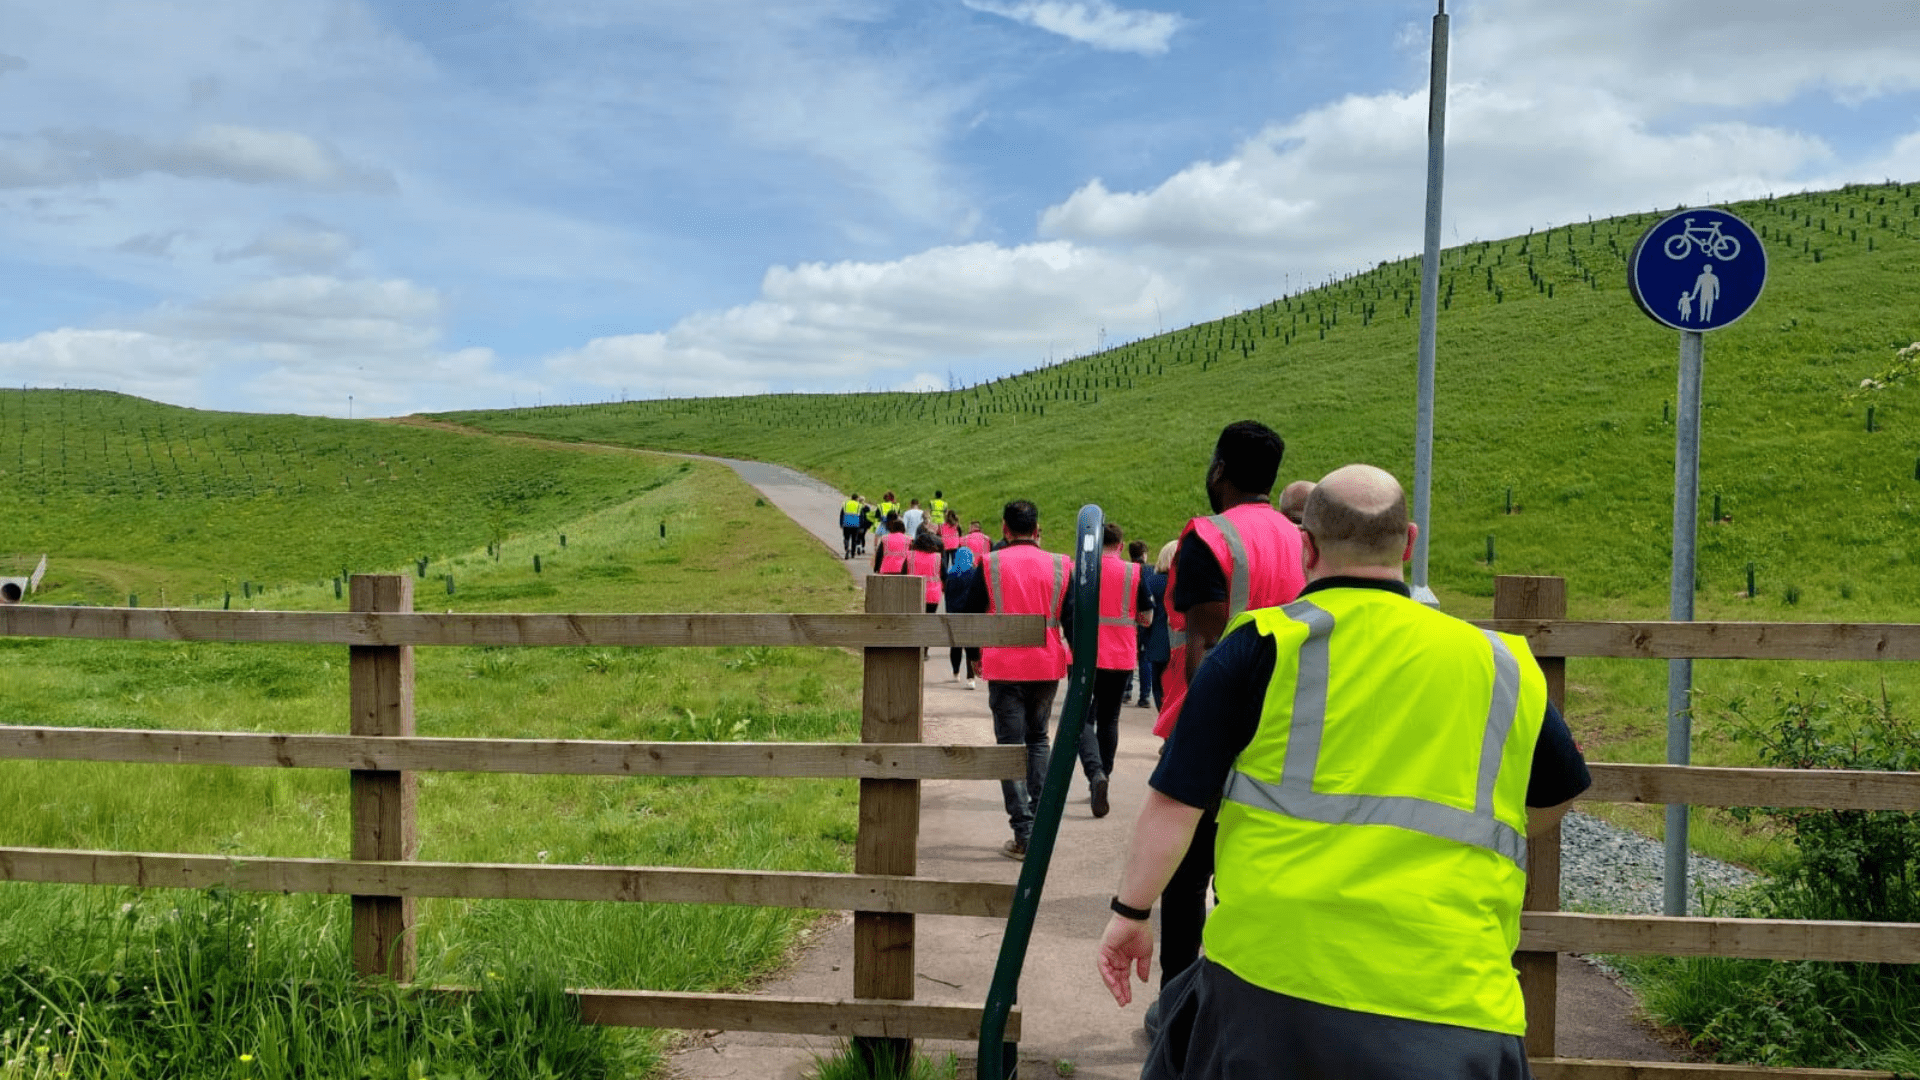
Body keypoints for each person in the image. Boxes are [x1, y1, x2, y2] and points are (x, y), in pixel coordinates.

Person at [1096, 465, 1591, 1080]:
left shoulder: (1264, 645)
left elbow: (1174, 804)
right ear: (1408, 542)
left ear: (1306, 546)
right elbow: (1556, 796)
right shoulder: (1499, 661)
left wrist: (1131, 914)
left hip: (1272, 986)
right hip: (1456, 998)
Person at [1153, 420, 1308, 1017]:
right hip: (1291, 731)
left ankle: (1179, 1007)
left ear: (1219, 469)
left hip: (1218, 733)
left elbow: (1203, 650)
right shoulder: (1303, 541)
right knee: (1256, 874)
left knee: (1186, 875)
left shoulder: (1209, 538)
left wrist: (1198, 748)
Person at [955, 499, 1074, 861]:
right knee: (1039, 740)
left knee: (1009, 748)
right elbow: (1070, 618)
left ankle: (1023, 834)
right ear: (1038, 530)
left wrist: (974, 656)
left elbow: (971, 614)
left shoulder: (989, 564)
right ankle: (1040, 828)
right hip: (1047, 664)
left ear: (1005, 530)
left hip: (1005, 666)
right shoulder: (1061, 565)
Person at [1079, 523, 1153, 819]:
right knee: (1109, 719)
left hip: (1086, 655)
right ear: (1121, 546)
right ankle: (1104, 778)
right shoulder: (1134, 573)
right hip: (1120, 655)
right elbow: (1147, 617)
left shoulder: (1083, 569)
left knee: (1082, 719)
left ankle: (1094, 773)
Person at [1140, 540, 1175, 711]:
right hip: (1184, 643)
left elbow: (1145, 617)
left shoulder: (1152, 582)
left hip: (1157, 642)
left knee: (1159, 689)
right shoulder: (1189, 582)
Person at [943, 545, 982, 688]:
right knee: (971, 645)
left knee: (955, 645)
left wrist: (949, 611)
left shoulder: (951, 574)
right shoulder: (975, 573)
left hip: (954, 613)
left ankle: (955, 671)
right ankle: (970, 678)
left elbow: (947, 596)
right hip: (970, 613)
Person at [1123, 539, 1151, 704]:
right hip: (1145, 619)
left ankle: (1126, 690)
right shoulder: (1149, 571)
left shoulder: (1127, 571)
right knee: (1144, 658)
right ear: (1144, 554)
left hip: (1128, 619)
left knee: (1129, 656)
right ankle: (1144, 696)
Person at [840, 493, 865, 559]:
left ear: (851, 497)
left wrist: (841, 523)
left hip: (846, 523)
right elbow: (861, 517)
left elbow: (842, 514)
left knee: (846, 537)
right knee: (854, 539)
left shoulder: (845, 504)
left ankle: (846, 548)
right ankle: (853, 553)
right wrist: (862, 526)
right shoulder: (859, 505)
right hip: (855, 524)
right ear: (857, 498)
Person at [939, 510, 963, 575]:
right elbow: (960, 534)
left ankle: (946, 578)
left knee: (945, 564)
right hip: (955, 545)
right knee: (955, 563)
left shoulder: (942, 525)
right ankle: (955, 577)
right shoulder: (956, 525)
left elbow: (940, 533)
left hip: (945, 545)